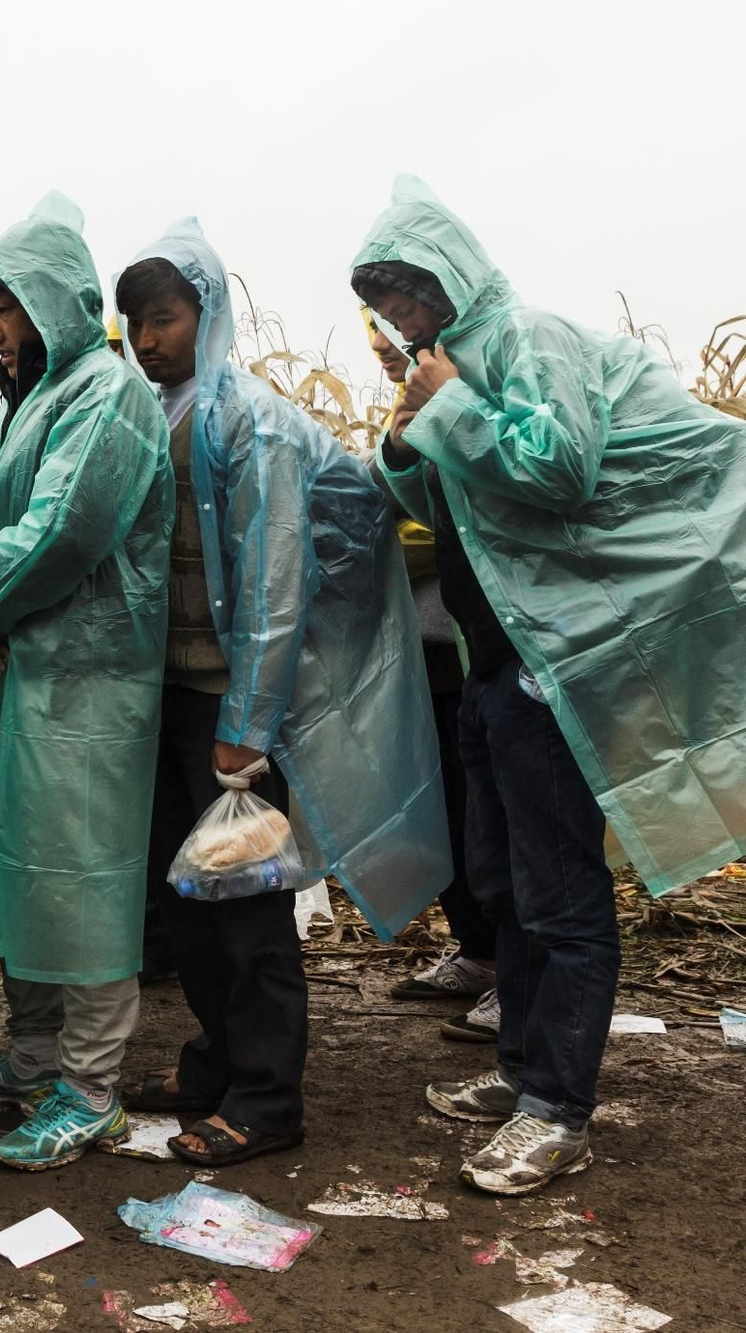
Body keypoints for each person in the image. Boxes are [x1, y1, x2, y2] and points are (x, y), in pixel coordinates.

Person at [352, 175, 746, 1194]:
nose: (398, 315)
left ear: (451, 273)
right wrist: (404, 443)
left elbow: (561, 467)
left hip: (553, 670)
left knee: (561, 893)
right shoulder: (443, 370)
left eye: (407, 291)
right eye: (383, 300)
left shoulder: (526, 340)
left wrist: (450, 406)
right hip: (492, 668)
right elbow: (454, 507)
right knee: (503, 883)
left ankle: (555, 1111)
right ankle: (520, 1068)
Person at [117, 220, 449, 1167]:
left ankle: (267, 1098)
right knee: (190, 906)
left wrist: (247, 725)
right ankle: (214, 1063)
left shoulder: (245, 419)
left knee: (250, 912)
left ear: (207, 314)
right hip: (175, 694)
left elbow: (271, 579)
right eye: (137, 323)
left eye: (167, 319)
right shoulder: (162, 411)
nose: (148, 341)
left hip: (229, 706)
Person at [0, 193, 173, 1172]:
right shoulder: (40, 395)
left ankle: (89, 1087)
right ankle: (38, 1049)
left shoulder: (104, 393)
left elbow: (56, 535)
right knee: (33, 874)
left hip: (92, 676)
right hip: (38, 675)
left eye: (5, 307)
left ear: (53, 304)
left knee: (86, 879)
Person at [361, 310, 500, 1031]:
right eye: (370, 335)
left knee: (485, 815)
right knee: (445, 809)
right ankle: (478, 951)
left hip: (466, 644)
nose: (381, 347)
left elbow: (426, 521)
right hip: (428, 654)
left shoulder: (466, 399)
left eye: (389, 331)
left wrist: (373, 530)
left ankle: (508, 964)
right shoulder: (406, 410)